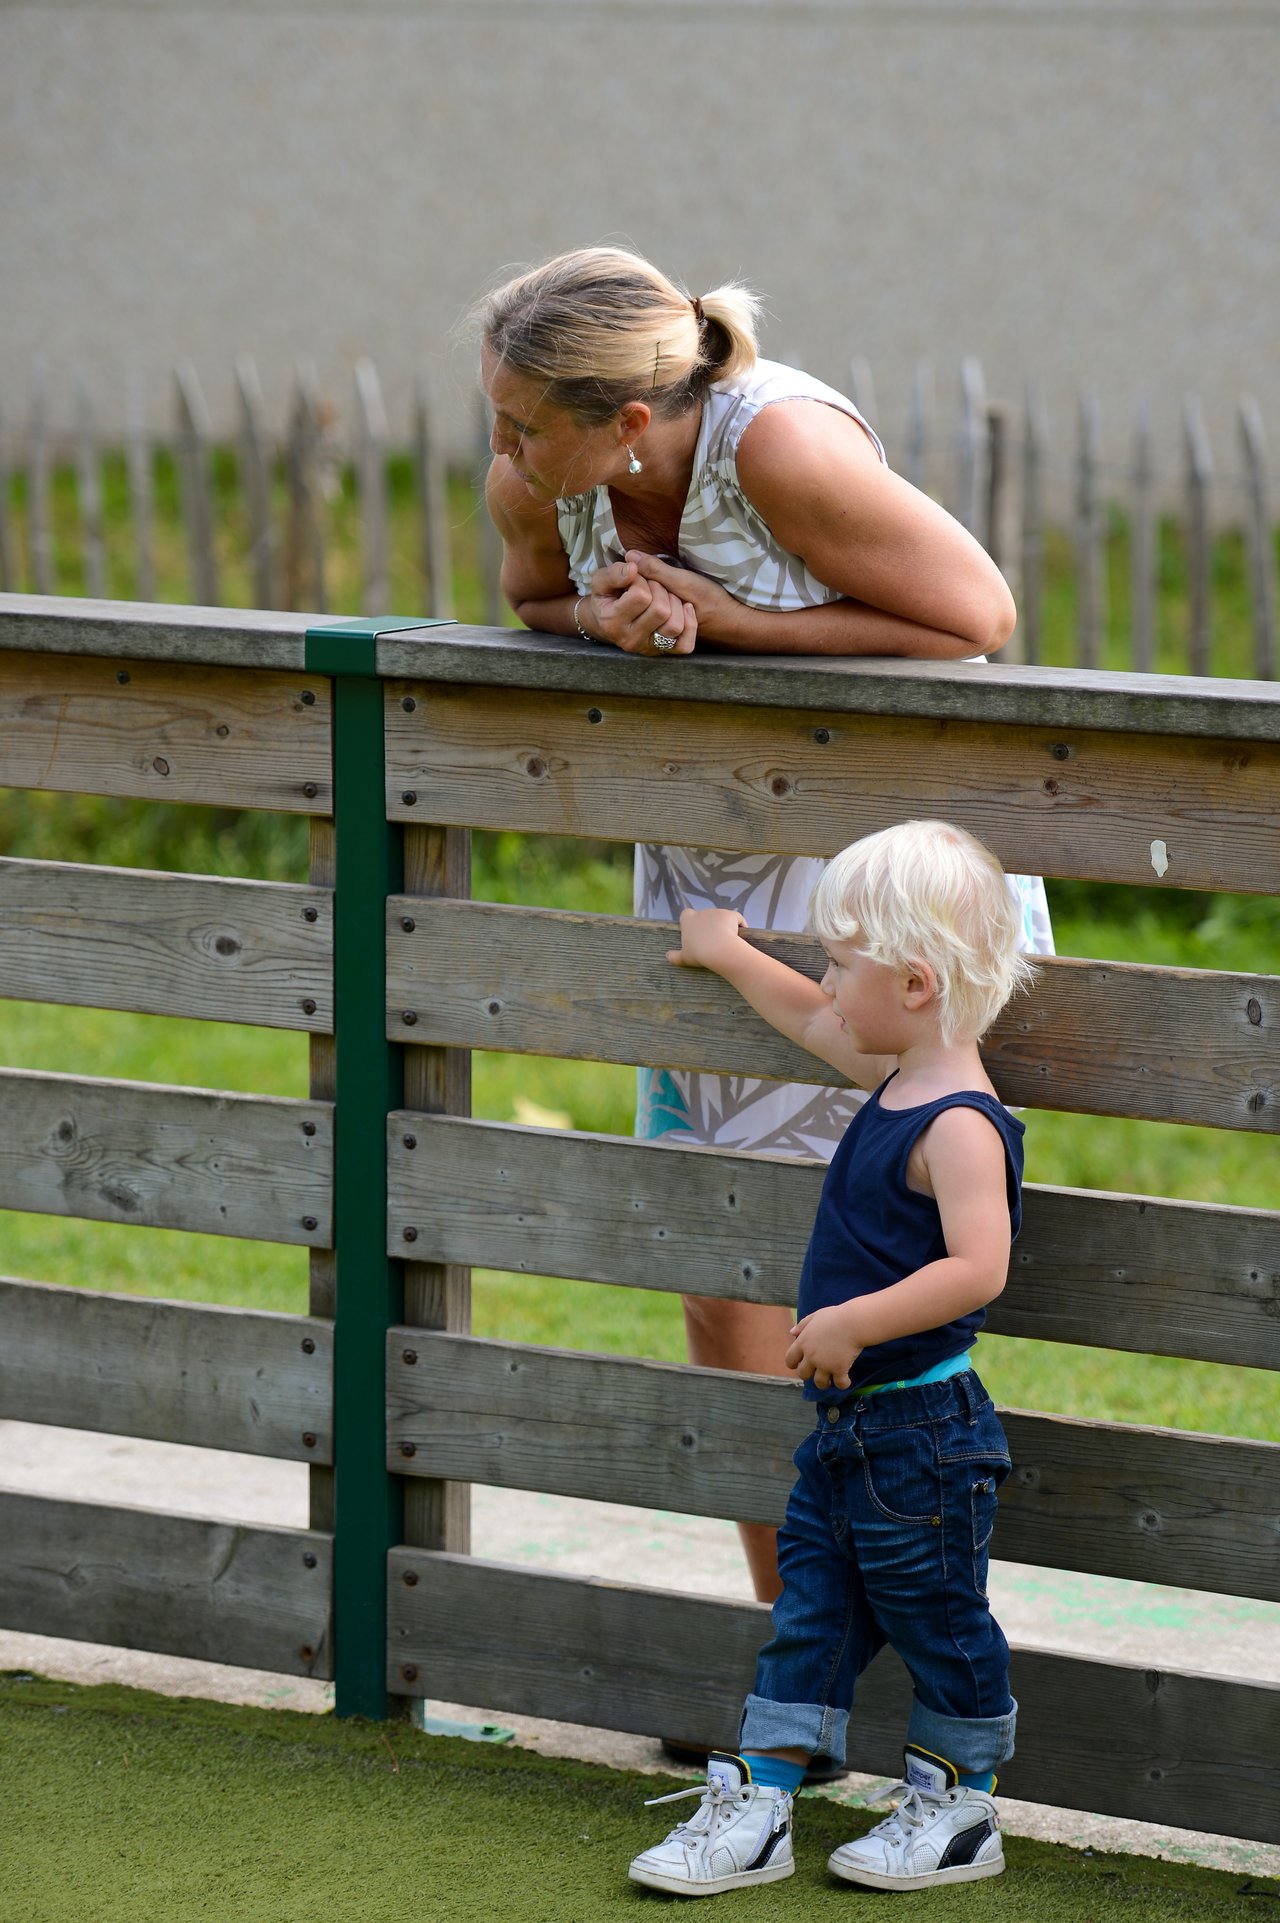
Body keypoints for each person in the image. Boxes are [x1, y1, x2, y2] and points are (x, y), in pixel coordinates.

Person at [476, 245, 1054, 1617]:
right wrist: (611, 609)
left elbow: (976, 618)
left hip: (863, 882)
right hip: (706, 877)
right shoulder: (536, 478)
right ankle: (788, 1649)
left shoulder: (782, 447)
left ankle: (905, 1644)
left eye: (520, 421)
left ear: (625, 421)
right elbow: (529, 598)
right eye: (494, 412)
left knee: (862, 1269)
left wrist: (731, 622)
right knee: (715, 1272)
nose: (497, 449)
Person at [627, 819, 1033, 1896]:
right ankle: (757, 1800)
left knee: (938, 1620)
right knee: (806, 1615)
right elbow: (809, 1013)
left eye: (840, 958)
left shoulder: (958, 1122)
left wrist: (856, 1321)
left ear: (912, 983)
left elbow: (978, 1266)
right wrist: (724, 951)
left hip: (923, 1439)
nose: (824, 976)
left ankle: (955, 1805)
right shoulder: (893, 1066)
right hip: (851, 1432)